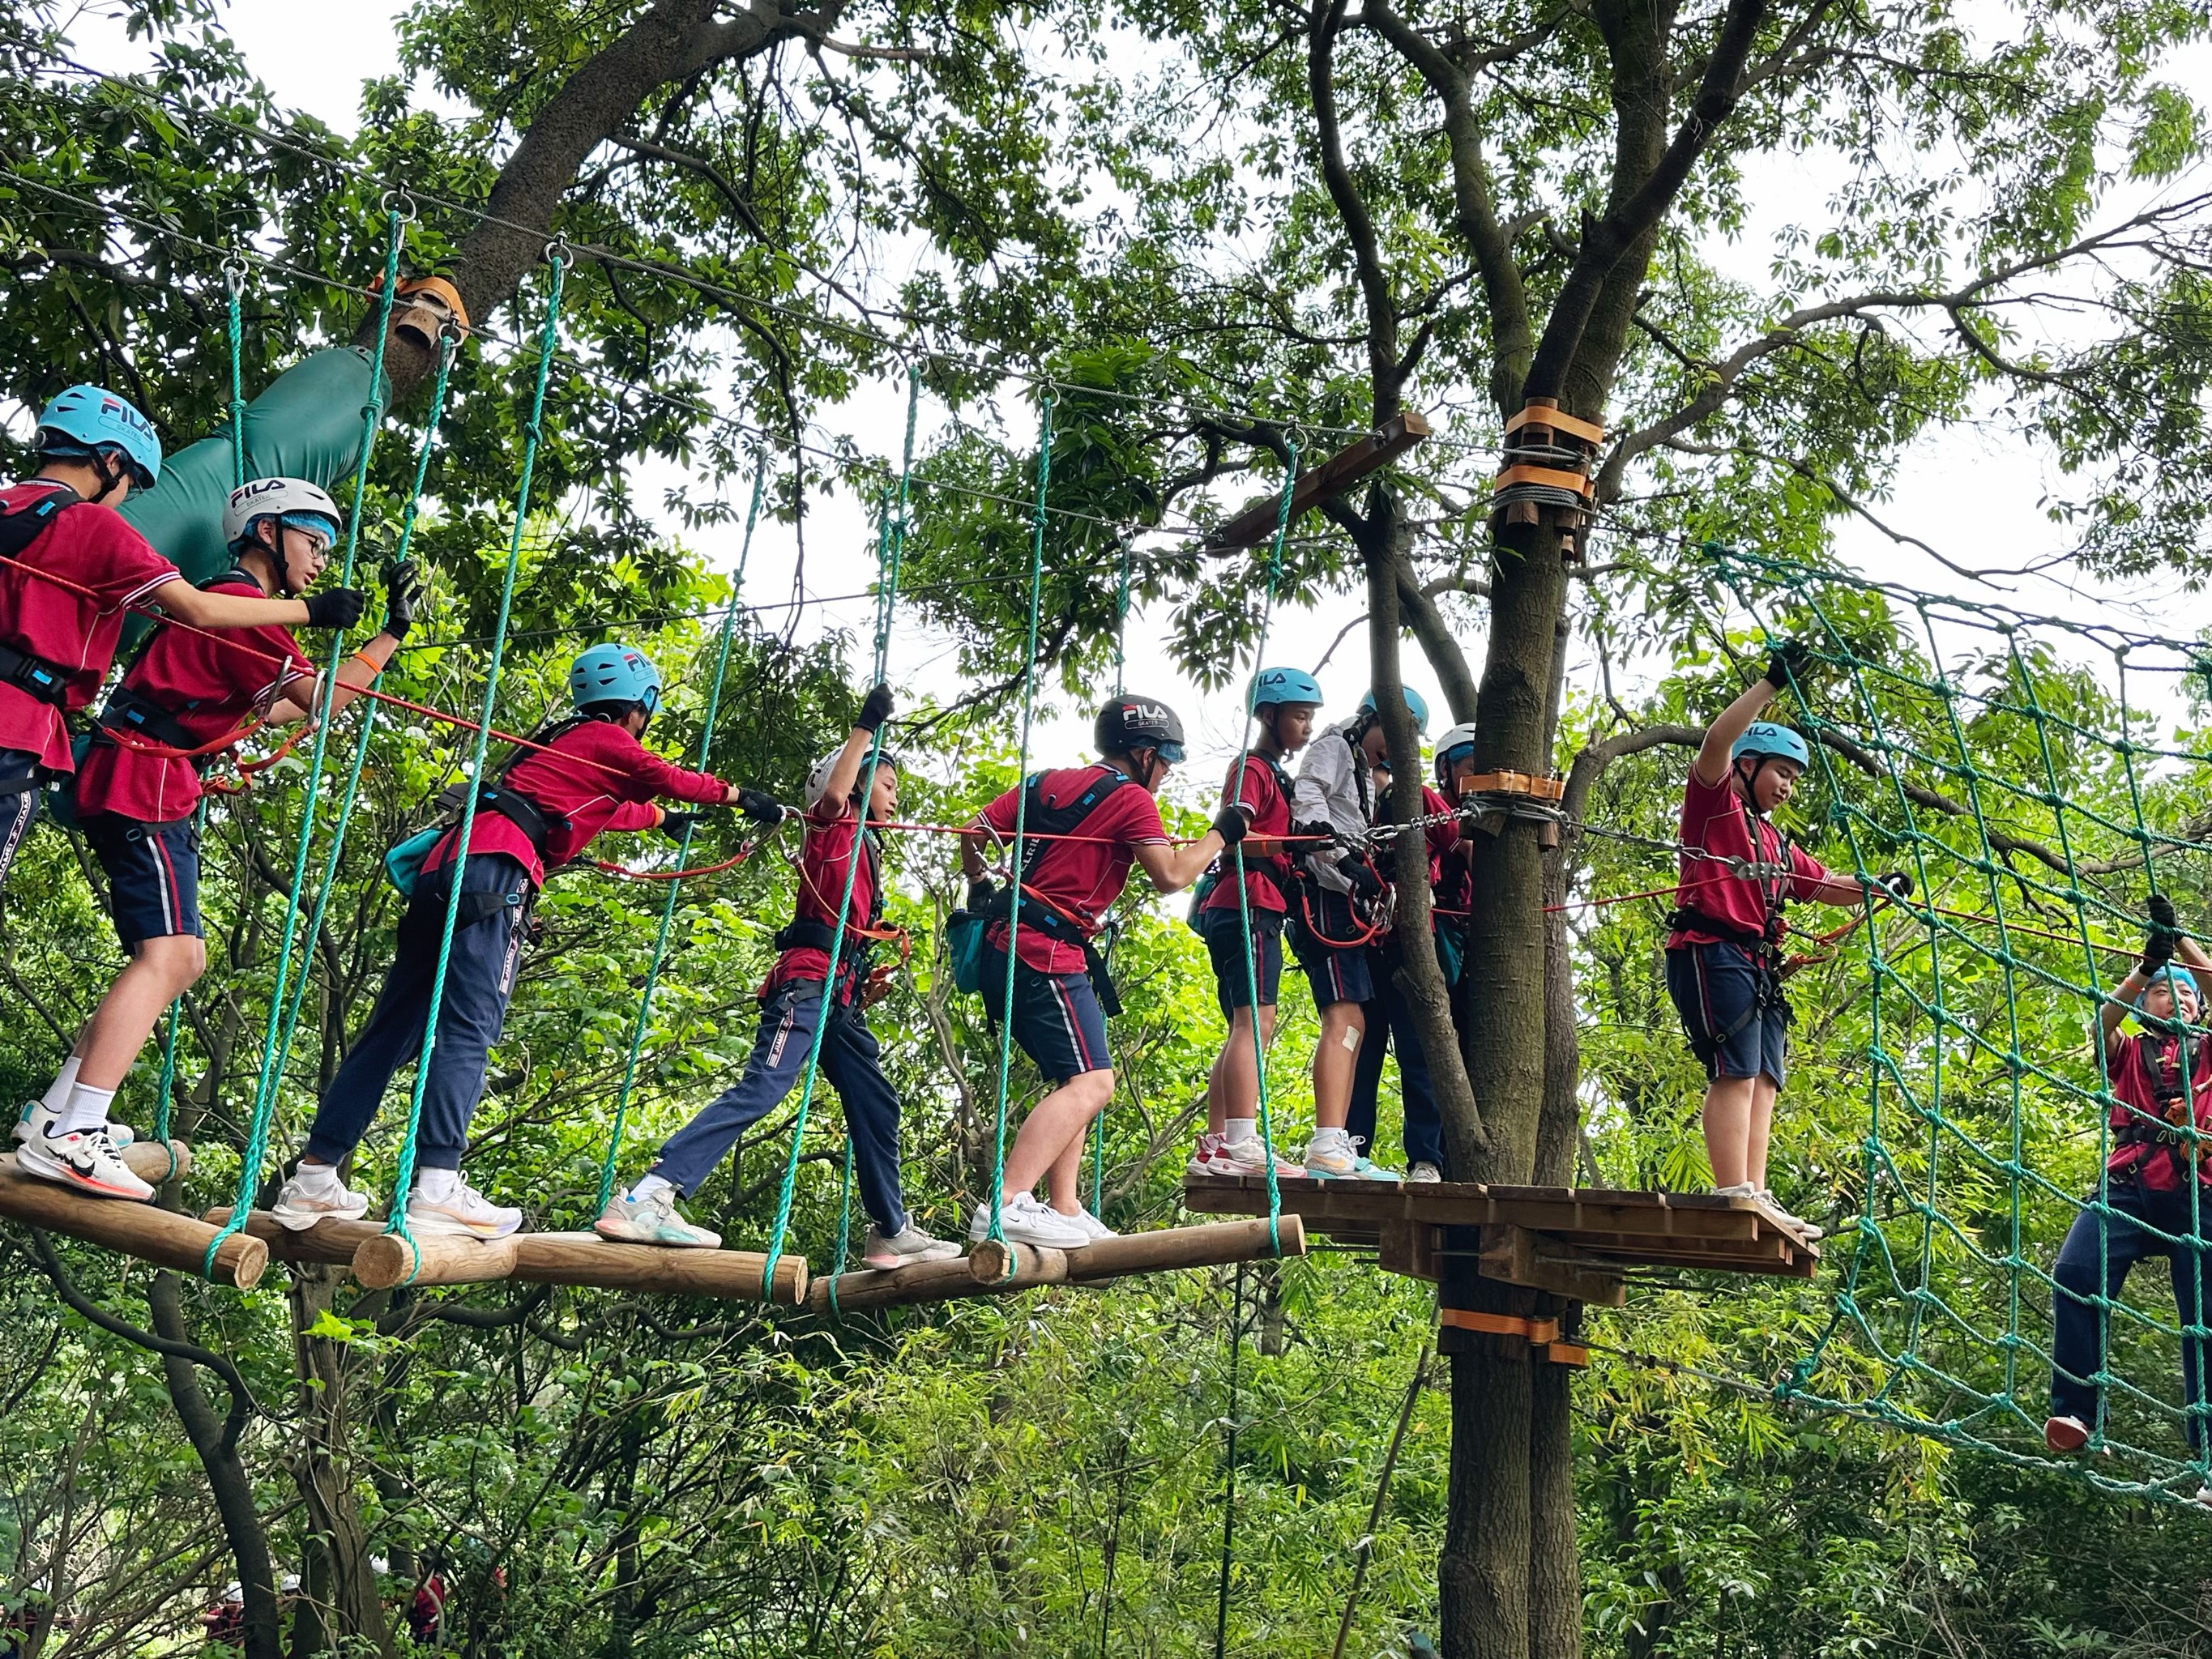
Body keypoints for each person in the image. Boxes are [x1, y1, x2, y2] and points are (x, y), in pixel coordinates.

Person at [269, 644, 781, 1239]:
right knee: (468, 1030)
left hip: (449, 866)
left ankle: (313, 1179)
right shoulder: (608, 738)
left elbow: (606, 806)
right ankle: (436, 1185)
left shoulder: (563, 744)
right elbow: (661, 777)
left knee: (390, 1034)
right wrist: (739, 797)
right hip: (497, 870)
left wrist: (663, 822)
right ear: (640, 702)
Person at [13, 480, 415, 1201]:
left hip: (144, 773)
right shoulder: (247, 607)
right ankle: (75, 1131)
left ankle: (56, 1114)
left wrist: (377, 636)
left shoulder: (242, 606)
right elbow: (323, 701)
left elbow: (281, 706)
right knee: (169, 957)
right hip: (146, 779)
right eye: (313, 541)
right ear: (267, 533)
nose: (322, 560)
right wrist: (388, 637)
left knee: (180, 957)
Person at [596, 684, 962, 1268]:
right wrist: (865, 727)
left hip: (835, 996)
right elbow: (834, 795)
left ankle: (891, 1229)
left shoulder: (866, 849)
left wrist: (862, 985)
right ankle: (647, 1195)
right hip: (808, 984)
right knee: (764, 1086)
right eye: (888, 784)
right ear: (858, 785)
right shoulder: (834, 829)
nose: (896, 798)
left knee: (876, 1101)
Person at [0, 389, 363, 900]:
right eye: (131, 483)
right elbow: (198, 609)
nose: (126, 496)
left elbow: (281, 706)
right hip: (18, 727)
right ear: (109, 461)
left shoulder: (9, 504)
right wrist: (317, 613)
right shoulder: (95, 523)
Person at [959, 695, 1236, 1247]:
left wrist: (980, 886)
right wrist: (1221, 833)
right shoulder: (1132, 800)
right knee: (1094, 1082)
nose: (1168, 773)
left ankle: (1063, 1206)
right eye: (1167, 760)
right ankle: (1007, 1202)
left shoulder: (1043, 783)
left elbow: (972, 833)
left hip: (1003, 942)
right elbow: (1172, 875)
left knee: (1077, 1076)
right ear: (1143, 754)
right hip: (1047, 950)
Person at [1661, 642, 1898, 1233]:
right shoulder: (1713, 808)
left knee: (1765, 1077)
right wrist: (1770, 684)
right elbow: (1715, 741)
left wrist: (1877, 887)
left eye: (1794, 778)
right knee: (1736, 1070)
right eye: (1781, 772)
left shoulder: (1775, 844)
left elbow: (1825, 886)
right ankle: (1729, 1189)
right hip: (1710, 950)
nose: (1788, 786)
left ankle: (1755, 1190)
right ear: (1748, 766)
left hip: (1754, 964)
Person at [2045, 895, 2212, 1503]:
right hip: (2130, 1182)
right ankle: (2077, 1411)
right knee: (2076, 1271)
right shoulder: (2130, 1051)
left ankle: (2211, 1458)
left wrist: (2183, 944)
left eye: (2190, 993)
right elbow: (2102, 1023)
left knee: (2206, 1322)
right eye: (2169, 991)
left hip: (2201, 1191)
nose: (2183, 997)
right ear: (2147, 1005)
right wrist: (2149, 963)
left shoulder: (2210, 1052)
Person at [1287, 687, 1428, 1179]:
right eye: (1394, 735)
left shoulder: (1363, 767)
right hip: (1323, 893)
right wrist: (1343, 858)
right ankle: (1327, 1143)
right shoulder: (1333, 745)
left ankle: (1337, 1142)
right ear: (1375, 718)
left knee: (1356, 1024)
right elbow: (1307, 799)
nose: (1394, 749)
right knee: (1346, 1022)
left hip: (1342, 894)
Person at [1187, 667, 1319, 1181]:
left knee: (1242, 1025)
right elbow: (1235, 828)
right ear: (1269, 715)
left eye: (1310, 718)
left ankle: (1218, 1143)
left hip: (1242, 904)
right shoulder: (1253, 768)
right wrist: (1297, 846)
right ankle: (1241, 1139)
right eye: (1299, 716)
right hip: (1249, 900)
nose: (1306, 727)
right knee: (1255, 1023)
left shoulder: (1272, 773)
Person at [1341, 748, 1459, 1182]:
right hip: (1364, 943)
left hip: (1411, 941)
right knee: (1362, 1052)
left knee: (1417, 1053)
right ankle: (1351, 1150)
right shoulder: (1351, 813)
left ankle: (1426, 1159)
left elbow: (1458, 840)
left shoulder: (1416, 799)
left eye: (1369, 772)